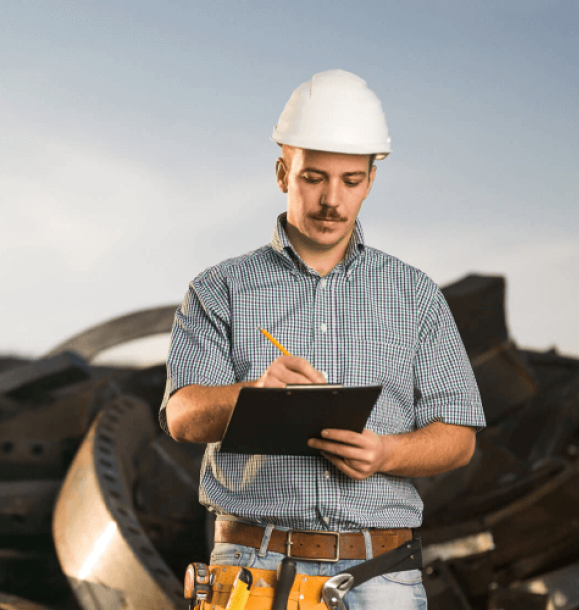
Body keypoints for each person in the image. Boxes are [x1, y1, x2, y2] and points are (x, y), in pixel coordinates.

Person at [160, 69, 486, 609]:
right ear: (283, 172)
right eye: (313, 177)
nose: (332, 199)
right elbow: (182, 415)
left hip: (381, 577)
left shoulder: (415, 295)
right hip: (250, 572)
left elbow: (460, 436)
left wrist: (386, 452)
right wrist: (255, 392)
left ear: (370, 181)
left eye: (351, 180)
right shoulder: (219, 289)